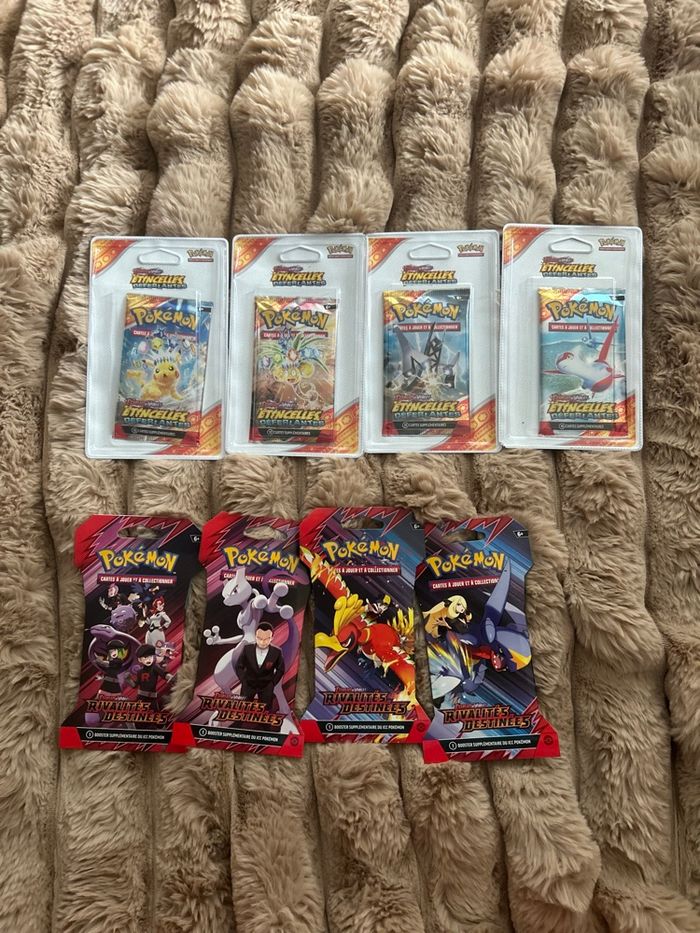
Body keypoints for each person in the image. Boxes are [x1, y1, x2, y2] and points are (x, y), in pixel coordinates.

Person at [235, 622, 285, 710]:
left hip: (266, 687)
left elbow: (280, 669)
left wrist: (272, 683)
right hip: (248, 685)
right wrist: (244, 680)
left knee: (266, 712)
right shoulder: (247, 649)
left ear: (272, 638)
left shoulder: (276, 652)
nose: (262, 642)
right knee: (242, 710)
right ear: (255, 636)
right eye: (259, 638)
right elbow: (239, 666)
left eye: (266, 639)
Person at [126, 644, 173, 709]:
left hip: (152, 698)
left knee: (154, 712)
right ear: (140, 660)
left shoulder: (155, 667)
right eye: (145, 658)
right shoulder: (140, 671)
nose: (148, 660)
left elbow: (163, 674)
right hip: (141, 697)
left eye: (150, 657)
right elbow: (135, 685)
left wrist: (169, 677)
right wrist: (128, 679)